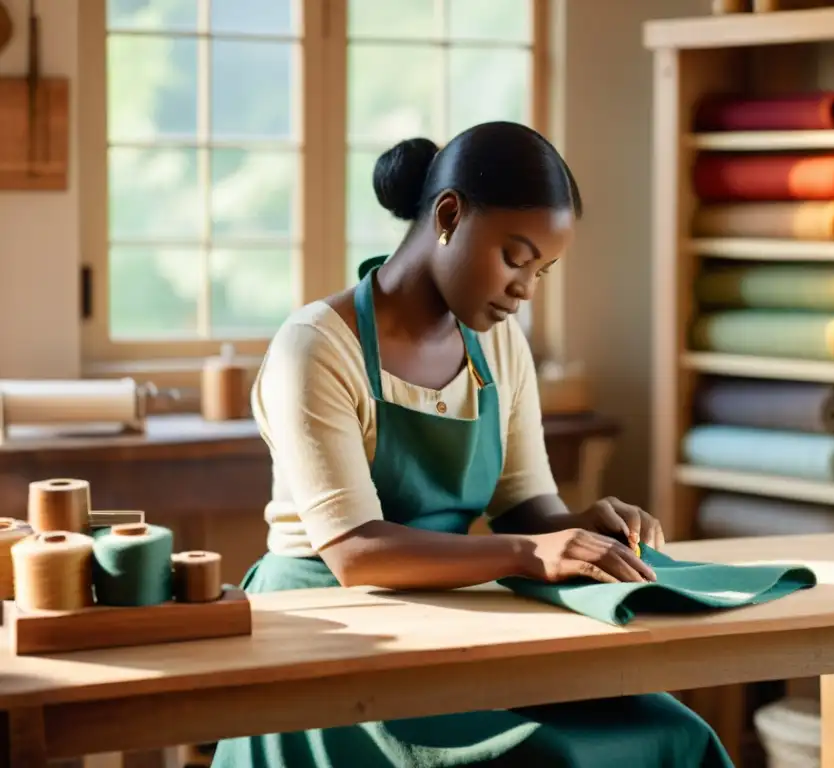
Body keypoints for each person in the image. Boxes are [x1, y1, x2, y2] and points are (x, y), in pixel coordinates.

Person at [212, 121, 733, 768]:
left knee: (672, 733)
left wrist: (580, 527)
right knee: (549, 756)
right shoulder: (316, 347)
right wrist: (530, 552)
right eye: (515, 258)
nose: (526, 289)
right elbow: (356, 553)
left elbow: (525, 508)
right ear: (449, 215)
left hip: (447, 621)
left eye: (543, 269)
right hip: (325, 632)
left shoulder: (500, 344)